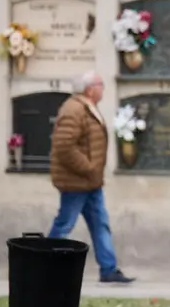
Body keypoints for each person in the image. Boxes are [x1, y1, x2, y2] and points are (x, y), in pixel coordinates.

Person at [48, 71, 134, 284]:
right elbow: (64, 146)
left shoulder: (86, 107)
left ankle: (108, 269)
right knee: (64, 224)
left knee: (100, 224)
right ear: (89, 89)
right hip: (76, 182)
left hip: (90, 183)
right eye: (100, 84)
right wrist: (88, 168)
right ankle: (43, 264)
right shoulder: (74, 109)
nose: (103, 88)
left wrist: (92, 173)